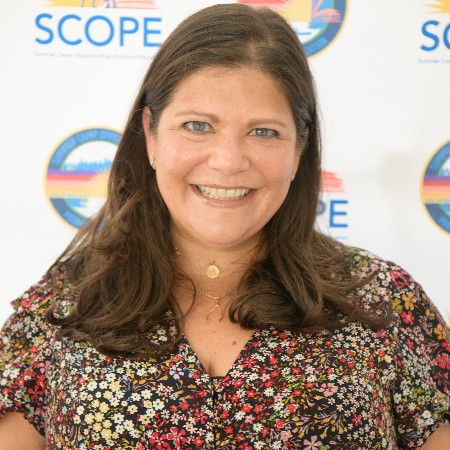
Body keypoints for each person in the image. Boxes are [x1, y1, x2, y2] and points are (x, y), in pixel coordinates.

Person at [0, 3, 449, 449]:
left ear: (300, 148)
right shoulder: (65, 303)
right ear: (151, 134)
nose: (229, 161)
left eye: (263, 132)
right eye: (197, 126)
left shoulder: (382, 299)